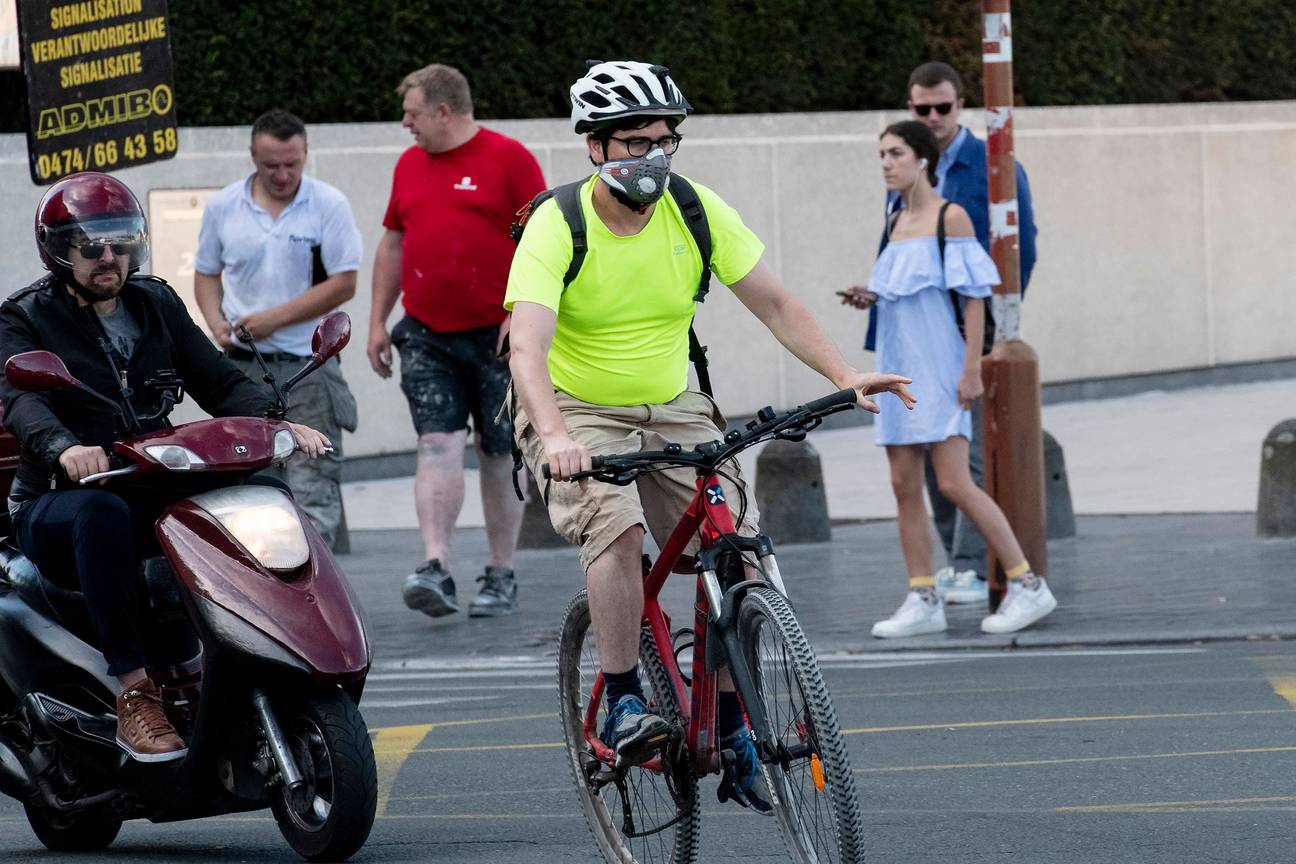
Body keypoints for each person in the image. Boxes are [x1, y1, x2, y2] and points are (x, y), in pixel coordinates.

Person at [507, 60, 915, 806]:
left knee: (738, 551)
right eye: (634, 142)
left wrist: (843, 376)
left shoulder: (693, 209)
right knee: (617, 530)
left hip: (676, 403)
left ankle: (728, 722)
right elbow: (526, 348)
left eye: (666, 140)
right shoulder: (557, 223)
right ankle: (627, 695)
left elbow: (778, 304)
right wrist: (557, 434)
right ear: (594, 146)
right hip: (575, 408)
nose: (652, 157)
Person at [0, 172, 331, 761]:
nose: (110, 256)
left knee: (254, 495)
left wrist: (275, 424)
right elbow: (23, 401)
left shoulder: (155, 302)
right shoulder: (23, 318)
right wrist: (63, 447)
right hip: (60, 498)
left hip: (151, 481)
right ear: (58, 249)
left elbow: (219, 379)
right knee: (99, 514)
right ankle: (135, 695)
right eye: (92, 245)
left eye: (122, 241)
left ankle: (266, 644)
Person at [840, 121, 1055, 638]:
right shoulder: (895, 218)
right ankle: (922, 597)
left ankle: (1028, 584)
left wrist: (971, 371)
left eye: (895, 154)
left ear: (922, 160)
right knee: (902, 485)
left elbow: (974, 297)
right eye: (882, 155)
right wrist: (869, 295)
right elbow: (909, 292)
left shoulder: (950, 218)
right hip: (896, 370)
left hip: (938, 368)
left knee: (956, 482)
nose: (886, 163)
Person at [367, 64, 546, 619]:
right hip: (426, 333)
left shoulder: (509, 159)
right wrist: (377, 319)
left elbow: (543, 244)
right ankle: (436, 566)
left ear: (444, 111)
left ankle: (501, 571)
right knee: (436, 442)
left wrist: (520, 313)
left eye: (413, 113)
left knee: (497, 452)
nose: (406, 124)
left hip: (496, 335)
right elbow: (393, 244)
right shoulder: (409, 165)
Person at [194, 109, 362, 549]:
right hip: (242, 365)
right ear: (253, 156)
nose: (284, 175)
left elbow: (344, 283)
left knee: (313, 478)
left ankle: (315, 574)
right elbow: (206, 273)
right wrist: (215, 322)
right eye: (272, 166)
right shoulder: (224, 205)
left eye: (293, 164)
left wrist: (273, 320)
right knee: (245, 477)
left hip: (308, 364)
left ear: (306, 153)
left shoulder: (328, 204)